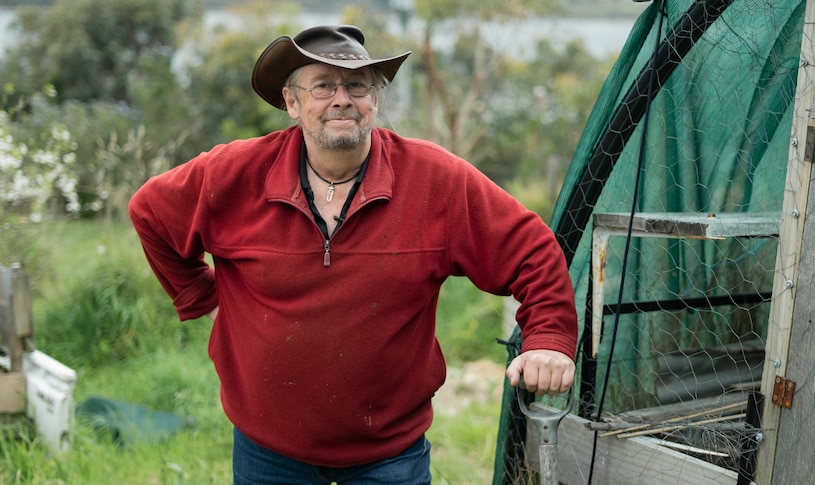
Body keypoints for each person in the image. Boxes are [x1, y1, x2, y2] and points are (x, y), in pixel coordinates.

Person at [128, 24, 578, 484]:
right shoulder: (233, 174)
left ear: (375, 100)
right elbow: (150, 212)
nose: (342, 98)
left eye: (358, 85)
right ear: (291, 102)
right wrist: (197, 293)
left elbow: (532, 250)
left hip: (390, 455)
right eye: (323, 85)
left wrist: (549, 337)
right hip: (268, 453)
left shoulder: (435, 180)